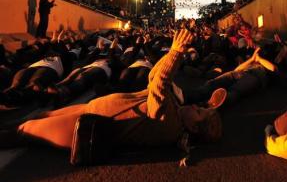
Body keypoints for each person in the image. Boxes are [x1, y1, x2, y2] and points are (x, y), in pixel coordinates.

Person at [0, 29, 225, 161]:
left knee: (25, 131)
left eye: (198, 111)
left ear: (194, 127)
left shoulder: (170, 122)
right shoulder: (175, 112)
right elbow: (153, 78)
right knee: (39, 117)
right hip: (91, 111)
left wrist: (175, 53)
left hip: (87, 127)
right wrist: (172, 55)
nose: (195, 107)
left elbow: (159, 85)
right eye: (199, 108)